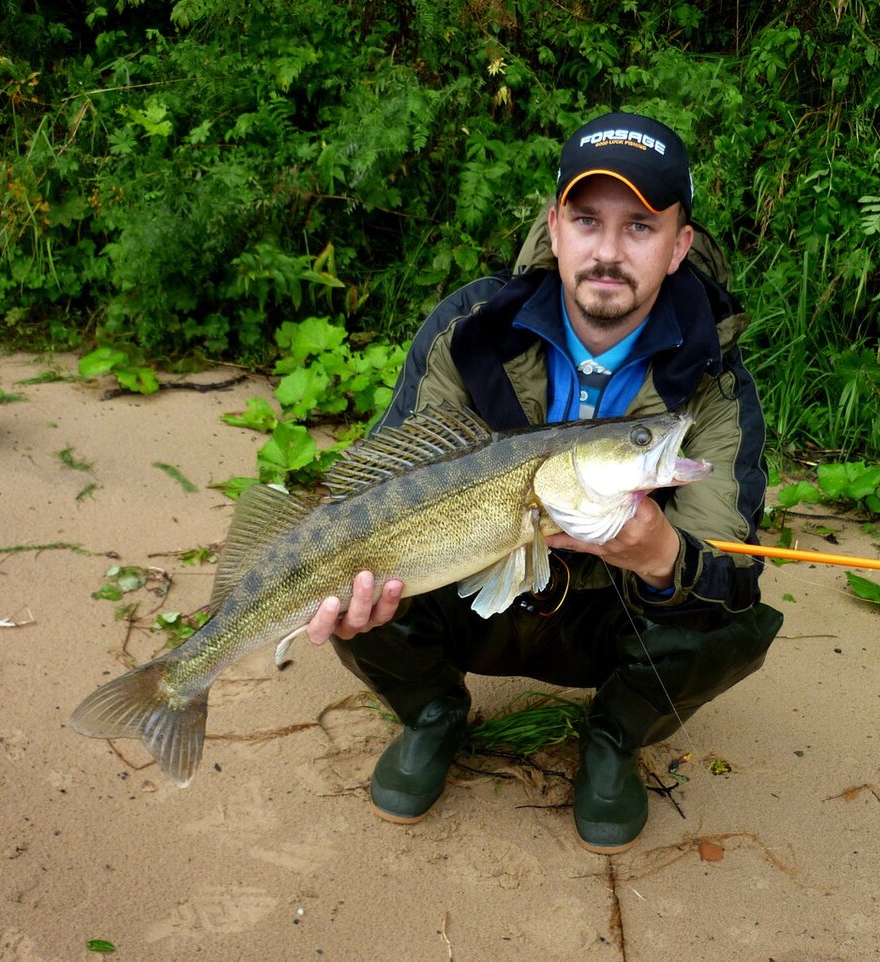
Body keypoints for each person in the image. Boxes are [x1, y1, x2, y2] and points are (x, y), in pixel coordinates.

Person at [306, 111, 783, 854]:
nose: (607, 251)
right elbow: (389, 474)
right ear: (555, 226)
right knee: (356, 563)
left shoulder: (714, 387)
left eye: (640, 226)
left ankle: (613, 737)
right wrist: (356, 577)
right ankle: (432, 712)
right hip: (469, 589)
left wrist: (663, 559)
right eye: (587, 220)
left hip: (604, 617)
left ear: (679, 244)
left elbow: (728, 554)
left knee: (730, 618)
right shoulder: (470, 329)